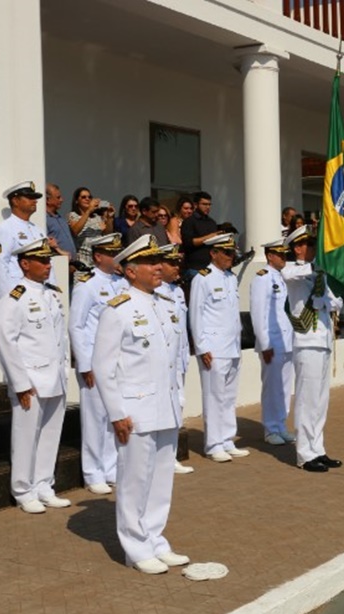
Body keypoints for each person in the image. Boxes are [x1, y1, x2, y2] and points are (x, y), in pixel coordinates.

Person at [92, 234, 188, 574]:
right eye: (149, 262)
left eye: (158, 261)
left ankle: (155, 539)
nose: (158, 267)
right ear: (131, 271)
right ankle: (135, 547)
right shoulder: (118, 310)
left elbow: (173, 360)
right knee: (135, 482)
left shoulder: (166, 304)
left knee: (161, 482)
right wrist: (117, 413)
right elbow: (103, 367)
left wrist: (179, 400)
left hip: (166, 406)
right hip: (136, 410)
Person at [0, 238, 70, 514]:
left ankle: (44, 485)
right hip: (31, 380)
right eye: (42, 260)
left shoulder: (51, 294)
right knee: (25, 437)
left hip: (55, 377)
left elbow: (60, 338)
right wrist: (20, 383)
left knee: (50, 435)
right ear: (25, 264)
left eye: (49, 260)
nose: (48, 265)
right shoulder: (14, 298)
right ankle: (23, 490)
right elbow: (5, 341)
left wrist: (64, 371)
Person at [69, 233, 128, 494]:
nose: (116, 257)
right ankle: (93, 472)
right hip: (94, 360)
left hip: (117, 360)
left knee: (113, 413)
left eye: (117, 252)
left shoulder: (121, 283)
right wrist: (84, 364)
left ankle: (111, 468)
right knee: (95, 419)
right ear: (98, 256)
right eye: (111, 253)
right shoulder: (87, 285)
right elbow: (77, 325)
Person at [282, 226, 343, 472]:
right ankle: (305, 454)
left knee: (320, 401)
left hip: (324, 340)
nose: (314, 248)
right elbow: (291, 274)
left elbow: (336, 301)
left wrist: (327, 299)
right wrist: (320, 268)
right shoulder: (292, 270)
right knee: (307, 400)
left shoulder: (320, 274)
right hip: (306, 341)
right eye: (309, 244)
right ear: (297, 247)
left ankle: (318, 448)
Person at [189, 233, 247, 462]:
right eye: (227, 252)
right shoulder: (202, 278)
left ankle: (227, 439)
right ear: (213, 253)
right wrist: (202, 347)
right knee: (214, 396)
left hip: (232, 345)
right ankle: (213, 444)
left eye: (232, 252)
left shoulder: (230, 278)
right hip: (213, 347)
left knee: (229, 396)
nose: (231, 256)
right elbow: (196, 314)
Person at [250, 238, 296, 446]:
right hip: (272, 342)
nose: (284, 257)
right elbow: (258, 312)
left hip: (286, 339)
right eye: (280, 254)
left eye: (285, 254)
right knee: (272, 387)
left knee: (284, 387)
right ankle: (270, 429)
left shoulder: (282, 276)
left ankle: (281, 425)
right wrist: (264, 343)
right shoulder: (263, 278)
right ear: (270, 256)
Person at [155, 244, 195, 475]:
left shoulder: (177, 291)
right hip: (163, 361)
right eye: (171, 263)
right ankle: (163, 457)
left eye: (177, 262)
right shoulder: (155, 292)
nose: (176, 267)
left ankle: (171, 455)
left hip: (178, 358)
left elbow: (181, 327)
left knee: (177, 405)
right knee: (164, 408)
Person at [0, 181, 51, 309]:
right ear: (15, 201)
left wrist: (51, 291)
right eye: (29, 198)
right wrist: (8, 299)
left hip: (40, 292)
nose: (35, 201)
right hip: (18, 293)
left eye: (35, 198)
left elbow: (47, 262)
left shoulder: (38, 231)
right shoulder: (5, 229)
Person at [68, 187, 113, 267]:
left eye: (89, 197)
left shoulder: (97, 217)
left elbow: (108, 234)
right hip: (83, 259)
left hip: (98, 259)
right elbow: (75, 231)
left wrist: (109, 218)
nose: (87, 199)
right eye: (83, 197)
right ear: (76, 201)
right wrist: (88, 211)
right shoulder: (73, 215)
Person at [181, 191, 220, 276]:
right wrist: (208, 237)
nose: (207, 207)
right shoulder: (189, 221)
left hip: (211, 266)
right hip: (194, 267)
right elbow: (188, 243)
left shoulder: (212, 222)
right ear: (195, 205)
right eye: (204, 204)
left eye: (209, 204)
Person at [44, 183, 77, 261]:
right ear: (47, 200)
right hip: (58, 263)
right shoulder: (44, 219)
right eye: (58, 197)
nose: (61, 200)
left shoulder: (60, 218)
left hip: (71, 264)